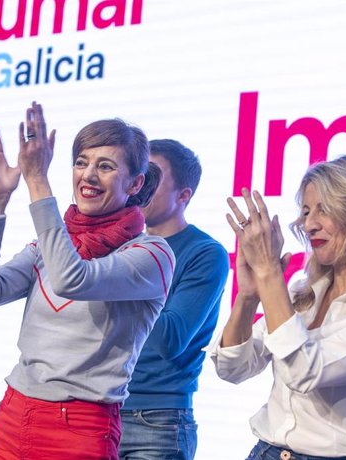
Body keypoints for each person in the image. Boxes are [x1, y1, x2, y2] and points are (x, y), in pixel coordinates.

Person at [0, 102, 175, 460]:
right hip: (14, 412)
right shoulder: (52, 243)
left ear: (135, 182)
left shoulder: (152, 255)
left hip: (79, 425)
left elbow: (71, 279)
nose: (88, 176)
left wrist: (36, 181)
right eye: (81, 162)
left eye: (105, 166)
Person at [209, 155, 346, 460]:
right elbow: (232, 368)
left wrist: (270, 273)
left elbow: (303, 371)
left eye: (324, 210)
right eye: (307, 211)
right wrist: (247, 297)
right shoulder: (303, 293)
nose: (309, 225)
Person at [119, 139, 228, 460]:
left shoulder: (204, 253)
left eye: (152, 177)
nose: (140, 186)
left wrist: (121, 277)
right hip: (99, 408)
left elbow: (169, 339)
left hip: (156, 421)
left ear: (184, 196)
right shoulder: (121, 245)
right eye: (138, 175)